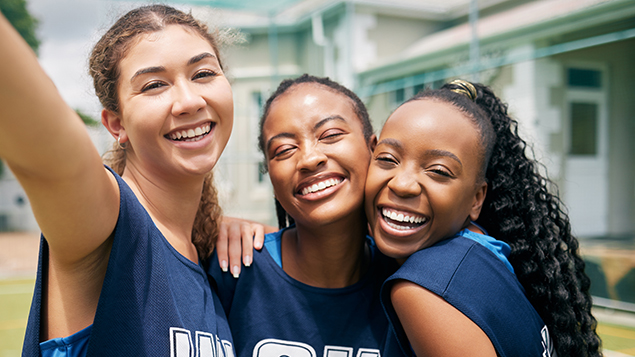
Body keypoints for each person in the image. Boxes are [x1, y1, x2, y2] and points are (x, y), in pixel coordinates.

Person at [0, 5, 235, 356]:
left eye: (203, 73)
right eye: (155, 85)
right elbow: (50, 156)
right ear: (116, 125)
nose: (189, 101)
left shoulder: (213, 260)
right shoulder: (108, 224)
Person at [365, 80, 602, 356]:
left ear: (477, 199)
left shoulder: (424, 289)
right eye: (387, 159)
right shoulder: (484, 250)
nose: (402, 184)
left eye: (439, 171)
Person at [209, 74, 405, 357]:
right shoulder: (234, 268)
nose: (310, 158)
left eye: (331, 135)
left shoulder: (406, 282)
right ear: (272, 179)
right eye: (284, 150)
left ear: (373, 149)